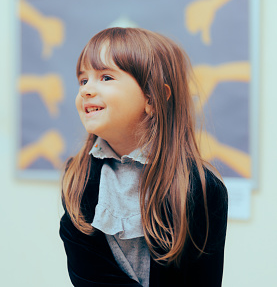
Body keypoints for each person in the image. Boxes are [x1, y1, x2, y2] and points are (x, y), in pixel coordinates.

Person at [60, 27, 228, 287]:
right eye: (83, 80)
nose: (86, 90)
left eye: (105, 77)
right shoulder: (77, 179)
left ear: (152, 98)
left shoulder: (201, 187)